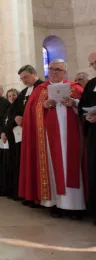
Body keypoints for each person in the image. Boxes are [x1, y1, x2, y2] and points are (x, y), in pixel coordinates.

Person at [21, 59, 85, 219]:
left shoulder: (75, 88)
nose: (54, 71)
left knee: (72, 167)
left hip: (72, 138)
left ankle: (74, 206)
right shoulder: (40, 90)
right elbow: (31, 113)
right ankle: (55, 204)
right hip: (48, 140)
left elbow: (86, 108)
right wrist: (44, 106)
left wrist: (74, 103)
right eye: (51, 69)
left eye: (58, 69)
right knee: (51, 167)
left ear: (65, 72)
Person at [9, 65, 44, 207]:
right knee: (28, 163)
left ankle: (40, 197)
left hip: (39, 133)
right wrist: (16, 117)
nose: (23, 80)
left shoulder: (42, 88)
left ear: (34, 74)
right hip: (26, 135)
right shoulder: (24, 93)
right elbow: (12, 111)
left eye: (25, 77)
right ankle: (30, 195)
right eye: (22, 78)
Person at [78, 50, 96, 225]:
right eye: (93, 64)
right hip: (94, 134)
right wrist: (87, 116)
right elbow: (83, 106)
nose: (94, 66)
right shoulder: (91, 84)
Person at [1, 88, 20, 200]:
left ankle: (17, 192)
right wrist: (3, 133)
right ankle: (10, 189)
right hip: (8, 140)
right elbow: (5, 122)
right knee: (9, 164)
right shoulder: (8, 109)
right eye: (9, 96)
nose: (12, 97)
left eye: (14, 95)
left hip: (16, 139)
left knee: (16, 164)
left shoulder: (19, 108)